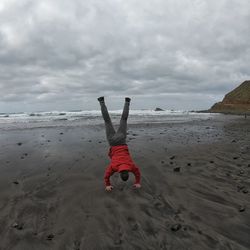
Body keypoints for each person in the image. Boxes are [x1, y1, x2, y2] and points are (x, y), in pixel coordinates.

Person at [98, 96, 141, 192]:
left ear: (128, 173)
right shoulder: (114, 167)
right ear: (120, 174)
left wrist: (138, 182)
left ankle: (127, 102)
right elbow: (106, 176)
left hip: (122, 140)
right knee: (107, 121)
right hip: (112, 142)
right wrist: (108, 185)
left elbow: (137, 173)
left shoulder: (131, 166)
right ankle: (101, 101)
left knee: (124, 119)